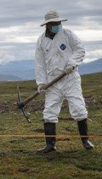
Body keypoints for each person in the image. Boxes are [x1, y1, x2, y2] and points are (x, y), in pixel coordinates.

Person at [35, 11, 94, 153]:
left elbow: (80, 50)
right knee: (49, 112)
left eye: (59, 23)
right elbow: (40, 63)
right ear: (48, 25)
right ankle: (50, 145)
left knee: (79, 108)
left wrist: (72, 64)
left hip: (70, 78)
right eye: (54, 24)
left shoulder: (69, 35)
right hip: (52, 82)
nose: (58, 25)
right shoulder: (41, 41)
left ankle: (85, 140)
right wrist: (41, 83)